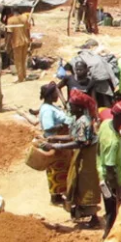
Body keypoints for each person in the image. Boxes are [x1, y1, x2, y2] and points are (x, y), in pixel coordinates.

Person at [40, 89, 100, 225]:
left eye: (71, 105)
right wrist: (55, 137)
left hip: (87, 155)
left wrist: (56, 146)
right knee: (76, 180)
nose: (69, 107)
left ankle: (93, 218)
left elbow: (79, 142)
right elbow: (73, 136)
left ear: (79, 108)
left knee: (86, 184)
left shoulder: (84, 121)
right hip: (81, 154)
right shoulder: (78, 119)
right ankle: (82, 212)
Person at [99, 101, 121, 238]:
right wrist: (119, 190)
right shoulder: (113, 142)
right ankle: (109, 236)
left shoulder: (105, 124)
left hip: (102, 174)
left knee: (110, 210)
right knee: (112, 212)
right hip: (111, 182)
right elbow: (110, 168)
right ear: (120, 117)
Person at [37, 82, 73, 205]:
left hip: (59, 141)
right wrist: (62, 125)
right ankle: (56, 197)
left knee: (60, 170)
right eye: (55, 93)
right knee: (56, 171)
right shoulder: (47, 110)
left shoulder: (51, 106)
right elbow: (48, 128)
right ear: (50, 95)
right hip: (55, 142)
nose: (57, 95)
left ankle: (59, 195)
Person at [6, 8, 31, 83]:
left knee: (18, 61)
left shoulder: (10, 20)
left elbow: (9, 33)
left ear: (12, 11)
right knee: (23, 60)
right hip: (25, 41)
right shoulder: (24, 18)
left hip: (17, 42)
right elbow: (28, 30)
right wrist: (29, 40)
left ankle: (20, 78)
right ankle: (24, 75)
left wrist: (7, 44)